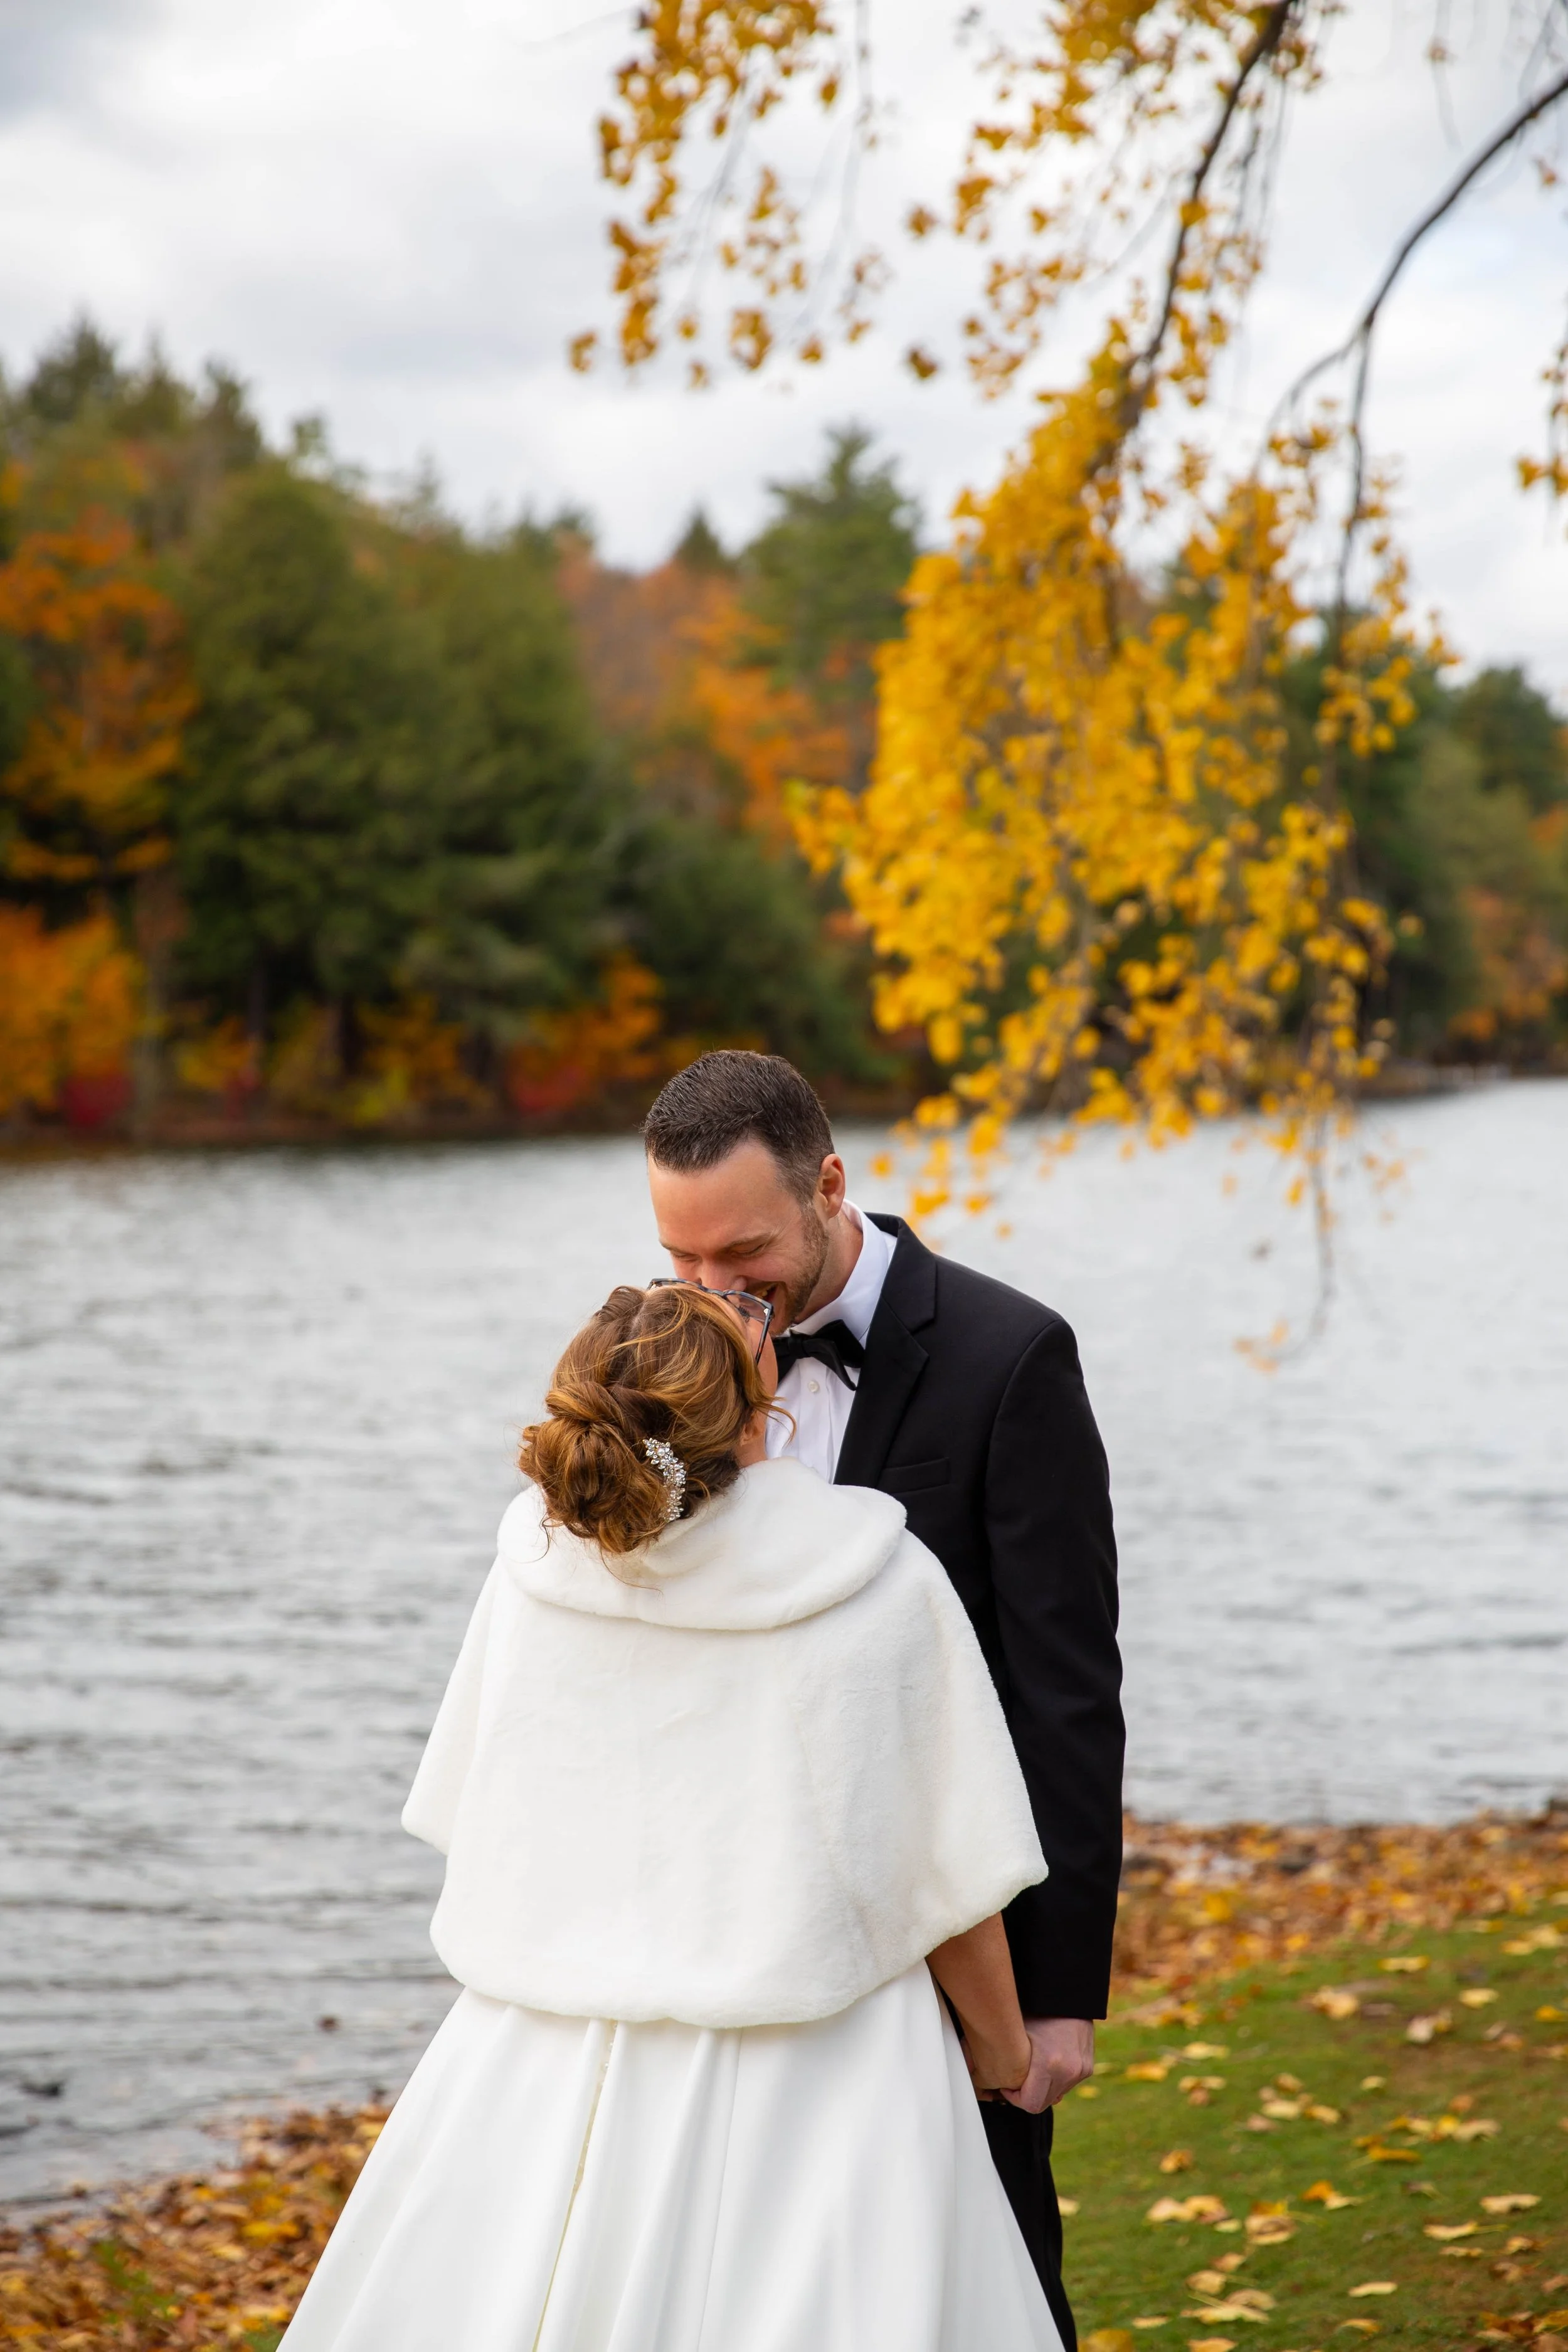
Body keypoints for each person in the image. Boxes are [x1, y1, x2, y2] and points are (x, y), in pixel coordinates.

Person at [280, 1280, 1063, 2352]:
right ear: (759, 1410)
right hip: (829, 2074)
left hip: (545, 2068)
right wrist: (1005, 2047)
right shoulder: (874, 1582)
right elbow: (950, 1880)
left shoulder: (533, 1573)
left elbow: (478, 1816)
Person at [642, 1050, 1124, 2351]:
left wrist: (1057, 1987)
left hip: (948, 1928)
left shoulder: (1007, 1356)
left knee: (989, 2282)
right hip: (738, 1941)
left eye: (739, 1253)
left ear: (829, 1186)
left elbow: (1066, 1689)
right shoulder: (659, 1354)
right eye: (678, 1259)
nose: (710, 1294)